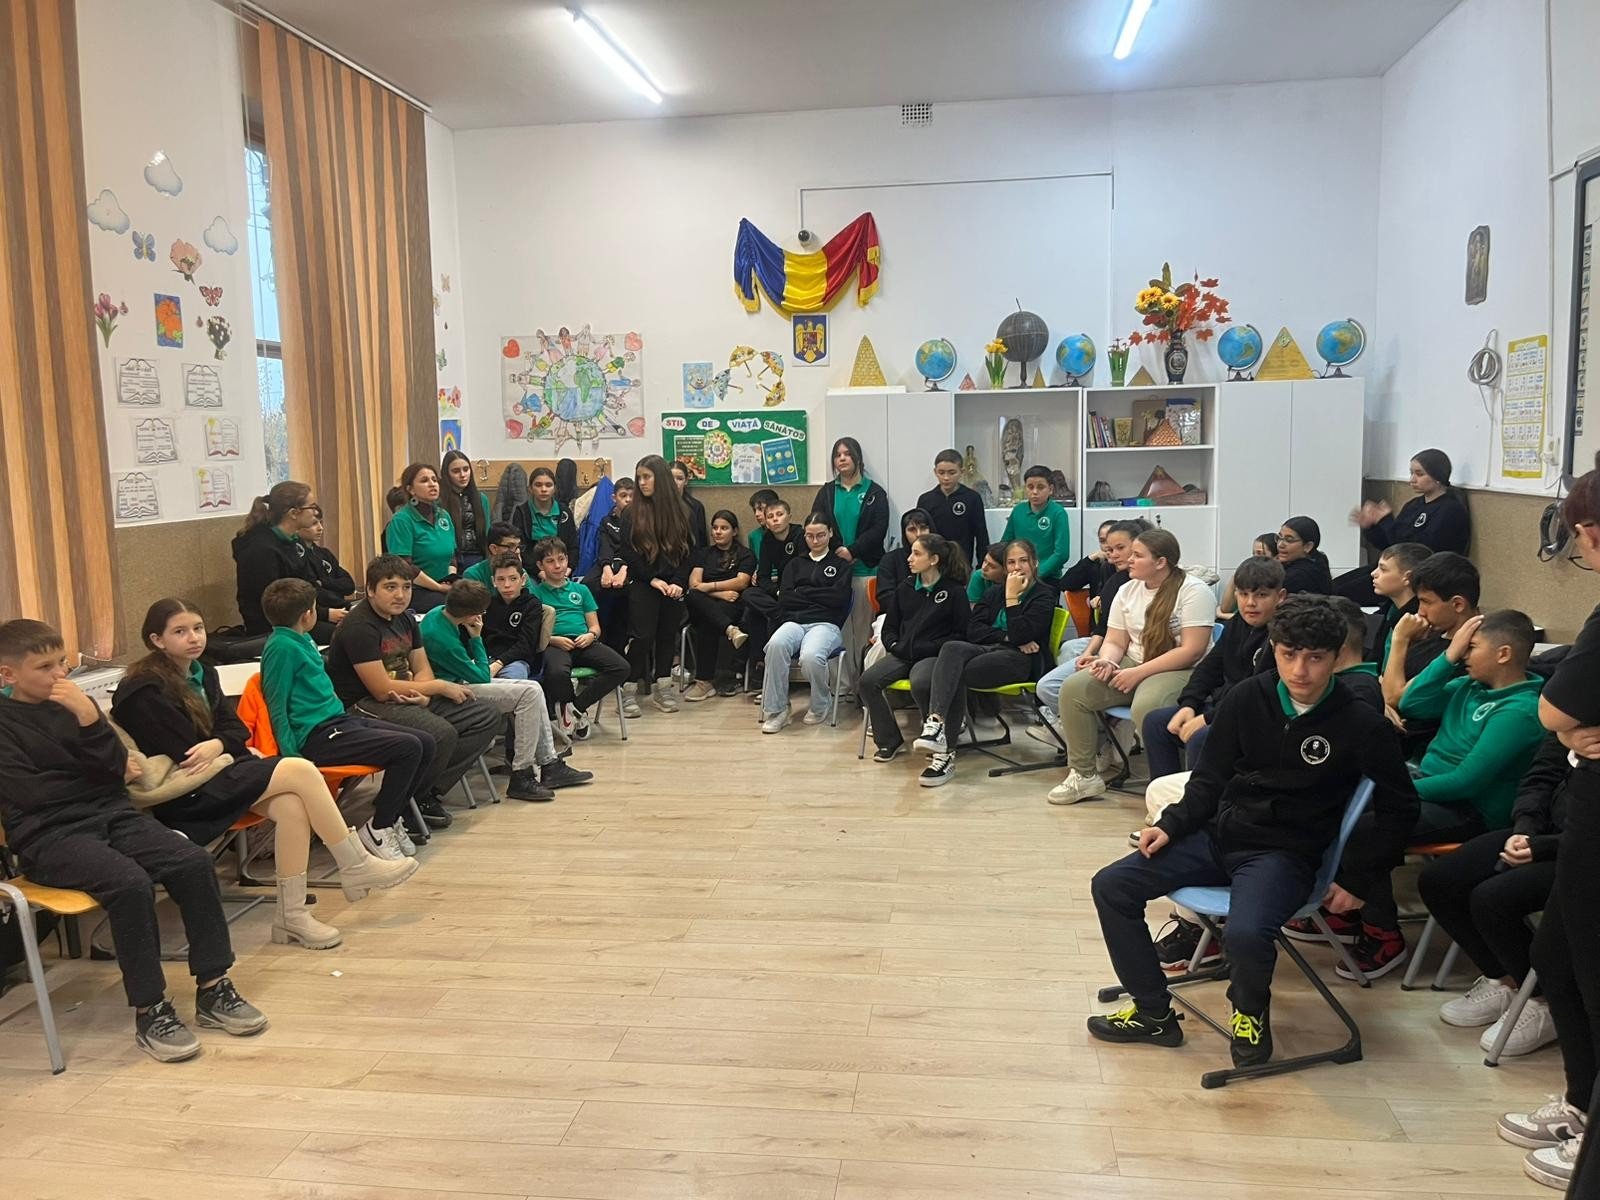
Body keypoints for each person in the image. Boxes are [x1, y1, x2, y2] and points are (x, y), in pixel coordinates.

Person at [1086, 599, 1418, 1068]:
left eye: (1315, 657)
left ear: (1336, 656)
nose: (1299, 670)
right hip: (1221, 835)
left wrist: (1360, 878)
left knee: (1245, 933)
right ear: (1274, 649)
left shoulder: (1360, 721)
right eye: (1288, 655)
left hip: (1285, 854)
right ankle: (1152, 1013)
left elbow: (1400, 807)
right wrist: (1171, 825)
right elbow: (1210, 779)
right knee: (1112, 885)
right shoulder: (1247, 698)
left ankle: (1248, 1015)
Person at [0, 618, 269, 1062]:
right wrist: (97, 771)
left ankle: (213, 986)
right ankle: (151, 1009)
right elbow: (33, 794)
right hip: (48, 835)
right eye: (45, 667)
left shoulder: (79, 707)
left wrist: (91, 722)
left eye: (62, 662)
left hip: (112, 814)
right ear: (8, 674)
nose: (60, 674)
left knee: (191, 862)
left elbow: (122, 772)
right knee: (129, 884)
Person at [112, 597, 414, 950]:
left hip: (221, 775)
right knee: (300, 769)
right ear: (156, 640)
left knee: (292, 807)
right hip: (186, 793)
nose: (193, 637)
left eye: (197, 628)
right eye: (180, 632)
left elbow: (234, 730)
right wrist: (223, 746)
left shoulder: (203, 672)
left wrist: (218, 744)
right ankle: (355, 862)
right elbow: (186, 753)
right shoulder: (144, 690)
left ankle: (291, 917)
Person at [1331, 610, 1546, 981]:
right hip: (1426, 786)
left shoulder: (1521, 711)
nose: (1463, 654)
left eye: (1470, 647)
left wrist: (1395, 791)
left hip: (1470, 810)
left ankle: (1383, 935)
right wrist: (1447, 658)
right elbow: (1411, 703)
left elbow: (1465, 781)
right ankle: (1347, 911)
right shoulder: (1469, 686)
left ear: (1503, 654)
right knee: (1337, 801)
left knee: (1368, 829)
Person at [1501, 464, 1600, 1193]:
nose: (1583, 545)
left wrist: (1567, 729)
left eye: (1583, 531)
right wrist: (1570, 736)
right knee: (1556, 955)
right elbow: (1560, 721)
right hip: (1583, 809)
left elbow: (1552, 710)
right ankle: (1581, 1100)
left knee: (1593, 974)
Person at [258, 578, 436, 871]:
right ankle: (379, 827)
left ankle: (391, 818)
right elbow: (276, 703)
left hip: (338, 722)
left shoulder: (302, 638)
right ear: (308, 614)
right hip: (316, 735)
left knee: (425, 741)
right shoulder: (281, 647)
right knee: (407, 748)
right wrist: (292, 756)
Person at [324, 555, 500, 834]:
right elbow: (381, 689)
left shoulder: (405, 618)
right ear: (370, 590)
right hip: (363, 705)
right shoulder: (359, 626)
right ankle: (405, 803)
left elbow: (422, 667)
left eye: (406, 587)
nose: (400, 595)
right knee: (441, 732)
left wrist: (424, 694)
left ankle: (422, 793)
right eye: (390, 587)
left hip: (408, 695)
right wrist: (437, 688)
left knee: (486, 714)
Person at [1417, 730, 1567, 1058]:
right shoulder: (1573, 717)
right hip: (1543, 833)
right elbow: (1540, 776)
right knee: (1440, 881)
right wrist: (1525, 829)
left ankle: (1548, 1000)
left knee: (1493, 899)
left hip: (1581, 850)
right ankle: (1506, 979)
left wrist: (1543, 847)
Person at [1049, 529, 1216, 805]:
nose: (1129, 560)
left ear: (1160, 562)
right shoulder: (1127, 590)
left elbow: (1192, 650)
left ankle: (1167, 788)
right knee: (1074, 689)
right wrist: (1107, 660)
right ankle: (1084, 775)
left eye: (1137, 555)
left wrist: (1137, 673)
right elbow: (1116, 640)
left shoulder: (1194, 591)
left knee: (1146, 706)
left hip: (1181, 668)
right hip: (1134, 661)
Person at [899, 538, 1057, 786]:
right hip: (990, 649)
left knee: (955, 673)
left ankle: (945, 754)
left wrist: (1012, 598)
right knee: (952, 648)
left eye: (1023, 561)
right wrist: (1006, 637)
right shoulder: (993, 592)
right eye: (1011, 562)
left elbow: (1022, 634)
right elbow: (972, 630)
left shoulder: (1044, 595)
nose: (1017, 567)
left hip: (1021, 661)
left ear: (1035, 563)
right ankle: (936, 725)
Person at [419, 580, 592, 801]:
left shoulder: (437, 613)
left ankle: (549, 764)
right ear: (472, 614)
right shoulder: (444, 642)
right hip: (451, 690)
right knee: (528, 694)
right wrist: (476, 638)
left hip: (458, 678)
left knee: (533, 688)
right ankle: (522, 773)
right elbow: (482, 675)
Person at [1142, 556, 1285, 781]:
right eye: (1243, 594)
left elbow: (1257, 692)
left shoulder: (1283, 635)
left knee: (1202, 737)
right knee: (1156, 723)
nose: (1250, 603)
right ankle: (1166, 796)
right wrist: (1189, 704)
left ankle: (1200, 800)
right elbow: (1209, 668)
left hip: (1257, 718)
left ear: (1280, 596)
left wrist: (1209, 718)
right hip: (1223, 709)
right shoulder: (1237, 624)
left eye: (1261, 595)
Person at [858, 533, 971, 763]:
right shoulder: (905, 588)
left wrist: (928, 647)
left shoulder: (954, 591)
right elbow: (890, 627)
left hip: (933, 655)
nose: (909, 558)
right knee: (867, 681)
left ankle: (935, 737)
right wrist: (894, 645)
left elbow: (961, 634)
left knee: (921, 683)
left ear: (934, 559)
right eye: (911, 553)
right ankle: (889, 740)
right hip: (902, 654)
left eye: (917, 554)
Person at [1032, 519, 1143, 746]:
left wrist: (1105, 658)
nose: (1112, 553)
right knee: (1050, 682)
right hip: (1108, 645)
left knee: (1070, 681)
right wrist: (1090, 653)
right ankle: (1095, 734)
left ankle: (1092, 734)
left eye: (1120, 547)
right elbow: (1104, 627)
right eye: (1107, 546)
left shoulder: (1147, 583)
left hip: (1132, 654)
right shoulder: (1112, 577)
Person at [1338, 449, 1472, 605]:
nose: (1412, 480)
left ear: (1438, 477)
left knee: (1341, 596)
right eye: (1411, 473)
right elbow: (1390, 545)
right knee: (1333, 587)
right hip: (1395, 568)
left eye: (1419, 474)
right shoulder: (1413, 505)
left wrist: (1385, 521)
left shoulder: (1450, 510)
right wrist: (1371, 526)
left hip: (1417, 576)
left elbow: (1416, 550)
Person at [760, 512, 854, 733]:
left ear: (830, 533)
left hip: (826, 624)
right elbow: (785, 598)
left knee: (811, 656)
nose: (815, 540)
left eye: (820, 535)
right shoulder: (794, 564)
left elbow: (839, 599)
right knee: (775, 645)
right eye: (810, 536)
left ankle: (821, 703)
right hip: (794, 621)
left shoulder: (841, 565)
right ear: (804, 536)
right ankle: (778, 710)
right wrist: (820, 595)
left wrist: (803, 592)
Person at [810, 437, 890, 693]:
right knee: (840, 630)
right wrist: (839, 552)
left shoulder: (874, 492)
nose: (842, 458)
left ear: (857, 457)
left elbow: (878, 529)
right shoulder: (827, 492)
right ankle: (842, 687)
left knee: (866, 630)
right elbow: (817, 525)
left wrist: (853, 551)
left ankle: (864, 686)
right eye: (837, 455)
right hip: (835, 574)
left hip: (867, 571)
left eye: (847, 453)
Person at [530, 536, 629, 737]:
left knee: (621, 667)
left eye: (561, 559)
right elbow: (534, 631)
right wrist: (553, 640)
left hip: (584, 642)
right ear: (540, 565)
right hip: (554, 644)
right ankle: (568, 711)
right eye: (550, 561)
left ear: (567, 560)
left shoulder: (581, 590)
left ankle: (575, 709)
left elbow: (595, 626)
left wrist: (590, 635)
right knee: (557, 673)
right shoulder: (536, 594)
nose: (557, 565)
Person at [617, 455, 693, 716]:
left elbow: (689, 553)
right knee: (642, 636)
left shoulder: (683, 511)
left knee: (667, 635)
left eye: (647, 477)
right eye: (639, 477)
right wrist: (652, 578)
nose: (642, 482)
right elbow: (628, 552)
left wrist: (678, 582)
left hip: (672, 586)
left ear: (660, 478)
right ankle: (628, 690)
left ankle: (664, 688)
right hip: (644, 583)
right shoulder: (631, 512)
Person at [232, 481, 342, 640]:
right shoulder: (261, 550)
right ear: (294, 513)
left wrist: (338, 606)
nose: (316, 512)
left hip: (300, 615)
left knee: (352, 625)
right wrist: (325, 614)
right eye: (312, 507)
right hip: (276, 626)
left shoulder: (294, 541)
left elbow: (309, 584)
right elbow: (275, 601)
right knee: (344, 636)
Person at [1380, 551, 1482, 714]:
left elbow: (1394, 698)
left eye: (1426, 602)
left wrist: (1400, 639)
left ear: (1458, 604)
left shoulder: (1470, 652)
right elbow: (1384, 682)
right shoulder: (1428, 632)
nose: (1420, 611)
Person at [683, 510, 756, 701]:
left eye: (724, 528)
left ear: (734, 531)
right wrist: (719, 593)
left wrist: (708, 587)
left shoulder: (745, 554)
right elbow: (694, 584)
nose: (718, 532)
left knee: (709, 622)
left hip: (732, 605)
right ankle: (731, 630)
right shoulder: (703, 553)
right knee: (692, 595)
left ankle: (704, 682)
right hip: (704, 603)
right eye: (715, 528)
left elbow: (741, 582)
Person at [384, 462, 457, 612]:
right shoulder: (402, 520)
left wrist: (451, 580)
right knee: (452, 606)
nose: (432, 484)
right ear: (410, 489)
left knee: (475, 597)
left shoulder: (443, 515)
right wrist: (439, 587)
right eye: (424, 481)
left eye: (434, 480)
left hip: (443, 584)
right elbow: (404, 566)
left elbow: (452, 556)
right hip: (416, 589)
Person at [740, 497, 803, 665]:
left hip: (799, 590)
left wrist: (787, 592)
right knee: (749, 595)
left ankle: (763, 663)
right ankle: (781, 614)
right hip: (780, 592)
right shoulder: (767, 540)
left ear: (789, 517)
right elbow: (763, 576)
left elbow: (804, 570)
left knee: (756, 614)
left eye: (779, 514)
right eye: (770, 516)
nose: (775, 519)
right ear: (766, 522)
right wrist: (777, 591)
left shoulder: (801, 536)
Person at [1000, 465, 1073, 586]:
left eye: (1040, 487)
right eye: (1030, 487)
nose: (1034, 492)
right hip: (1018, 574)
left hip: (1048, 577)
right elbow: (1006, 544)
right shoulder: (1018, 510)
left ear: (1050, 489)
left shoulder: (1058, 513)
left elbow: (1061, 554)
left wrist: (1036, 574)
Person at [917, 448, 990, 567]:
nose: (946, 478)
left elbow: (981, 535)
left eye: (952, 473)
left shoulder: (972, 498)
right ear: (935, 472)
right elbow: (920, 536)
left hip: (961, 563)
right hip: (932, 563)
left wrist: (982, 565)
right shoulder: (925, 500)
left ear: (962, 472)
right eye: (941, 473)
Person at [587, 477, 635, 654]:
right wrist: (606, 568)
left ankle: (625, 641)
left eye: (632, 496)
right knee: (588, 585)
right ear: (614, 498)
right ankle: (594, 635)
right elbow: (604, 547)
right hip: (608, 563)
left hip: (630, 564)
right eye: (623, 495)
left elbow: (635, 550)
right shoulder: (606, 520)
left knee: (626, 591)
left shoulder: (640, 520)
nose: (628, 500)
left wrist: (624, 569)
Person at [483, 553, 548, 681]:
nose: (507, 585)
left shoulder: (532, 605)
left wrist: (499, 663)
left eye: (513, 578)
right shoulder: (487, 603)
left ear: (523, 580)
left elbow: (526, 645)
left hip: (516, 661)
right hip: (485, 658)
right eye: (501, 579)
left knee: (513, 682)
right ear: (493, 581)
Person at [1366, 542, 1432, 664]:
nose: (1373, 573)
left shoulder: (1419, 622)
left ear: (1408, 577)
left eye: (1383, 569)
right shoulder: (1390, 609)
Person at [875, 509, 933, 635]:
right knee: (882, 642)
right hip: (894, 616)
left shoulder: (941, 558)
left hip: (933, 616)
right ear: (904, 532)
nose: (919, 534)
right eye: (912, 529)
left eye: (923, 528)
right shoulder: (890, 559)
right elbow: (885, 597)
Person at [511, 466, 580, 564]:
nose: (543, 489)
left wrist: (569, 567)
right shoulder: (521, 512)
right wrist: (539, 570)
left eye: (548, 485)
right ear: (530, 488)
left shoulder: (564, 512)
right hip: (532, 567)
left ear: (555, 488)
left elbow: (573, 546)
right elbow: (519, 547)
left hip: (561, 567)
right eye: (538, 485)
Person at [439, 449, 492, 573]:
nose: (462, 475)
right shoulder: (439, 500)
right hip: (450, 557)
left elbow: (487, 532)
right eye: (456, 471)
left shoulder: (481, 498)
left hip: (476, 556)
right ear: (446, 474)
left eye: (466, 469)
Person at [305, 512, 357, 618]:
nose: (320, 528)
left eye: (320, 523)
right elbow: (314, 591)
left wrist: (323, 582)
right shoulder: (298, 557)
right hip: (316, 613)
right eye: (314, 523)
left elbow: (349, 585)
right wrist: (346, 606)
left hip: (341, 608)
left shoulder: (324, 553)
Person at [1217, 532, 1280, 618]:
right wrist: (1235, 578)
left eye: (1260, 553)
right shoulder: (1248, 576)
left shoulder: (1276, 581)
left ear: (1276, 557)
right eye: (1254, 554)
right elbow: (1225, 608)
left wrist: (1223, 615)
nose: (1255, 558)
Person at [1276, 515, 1334, 595]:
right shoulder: (1316, 560)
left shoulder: (1297, 577)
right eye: (1279, 538)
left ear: (1308, 546)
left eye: (1289, 540)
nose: (1280, 545)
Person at [463, 523, 529, 592]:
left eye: (518, 546)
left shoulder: (521, 572)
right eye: (511, 546)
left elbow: (530, 596)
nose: (517, 551)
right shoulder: (473, 574)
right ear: (494, 549)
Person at [670, 460, 709, 552]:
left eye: (679, 478)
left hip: (690, 556)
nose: (675, 482)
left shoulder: (696, 507)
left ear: (686, 481)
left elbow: (702, 541)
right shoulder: (657, 505)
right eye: (671, 478)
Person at [747, 488, 778, 563]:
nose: (756, 514)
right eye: (754, 510)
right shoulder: (753, 536)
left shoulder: (788, 532)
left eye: (760, 509)